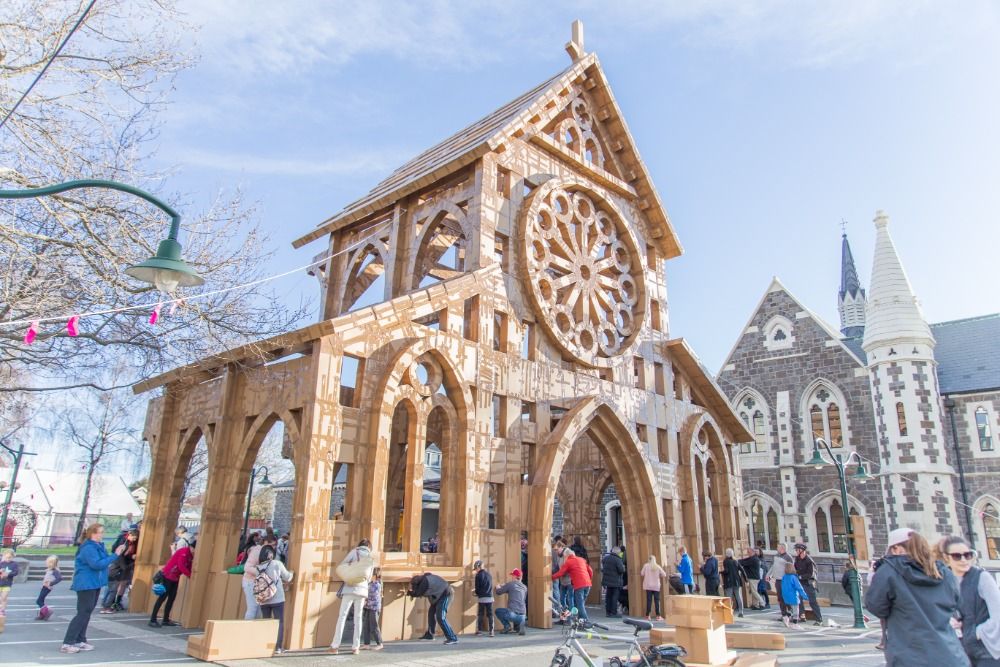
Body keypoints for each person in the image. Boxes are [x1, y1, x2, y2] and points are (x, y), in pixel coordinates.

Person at [864, 528, 969, 667]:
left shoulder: (889, 571)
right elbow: (956, 602)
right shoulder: (943, 570)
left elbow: (876, 606)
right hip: (950, 654)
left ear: (897, 548)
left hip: (909, 655)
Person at [61, 523, 125, 654]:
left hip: (94, 583)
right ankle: (68, 642)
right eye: (100, 532)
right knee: (82, 613)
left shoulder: (97, 546)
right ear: (93, 534)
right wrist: (115, 555)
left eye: (102, 532)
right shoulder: (88, 548)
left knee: (87, 613)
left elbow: (103, 561)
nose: (102, 534)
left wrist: (113, 555)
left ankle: (80, 640)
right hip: (86, 583)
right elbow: (96, 564)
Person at [941, 535, 1000, 666]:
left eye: (967, 555)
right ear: (946, 558)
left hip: (988, 650)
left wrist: (975, 633)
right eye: (957, 556)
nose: (963, 560)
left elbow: (998, 615)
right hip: (961, 651)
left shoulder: (982, 578)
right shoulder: (945, 580)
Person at [331, 539, 376, 654]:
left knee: (342, 617)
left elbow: (342, 566)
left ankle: (335, 646)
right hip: (362, 591)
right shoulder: (371, 557)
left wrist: (352, 568)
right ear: (369, 547)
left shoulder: (354, 552)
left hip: (349, 587)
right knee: (358, 618)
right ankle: (355, 647)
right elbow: (369, 578)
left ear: (360, 545)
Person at [256, 544, 294, 654]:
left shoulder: (258, 567)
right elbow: (287, 577)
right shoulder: (277, 564)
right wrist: (292, 572)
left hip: (264, 598)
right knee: (279, 622)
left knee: (266, 621)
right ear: (271, 554)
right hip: (277, 598)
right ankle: (277, 647)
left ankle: (266, 645)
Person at [150, 539, 195, 627]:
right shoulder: (184, 552)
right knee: (162, 598)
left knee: (171, 598)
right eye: (195, 549)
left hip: (175, 578)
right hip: (167, 576)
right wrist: (190, 576)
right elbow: (181, 566)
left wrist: (191, 574)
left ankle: (165, 620)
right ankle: (153, 619)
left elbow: (189, 566)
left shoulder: (191, 555)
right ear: (191, 547)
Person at [407, 572, 459, 645]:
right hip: (438, 596)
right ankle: (430, 635)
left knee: (441, 617)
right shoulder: (425, 579)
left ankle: (452, 638)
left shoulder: (425, 582)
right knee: (431, 614)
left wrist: (410, 591)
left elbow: (418, 593)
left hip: (445, 595)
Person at [101, 527, 139, 613]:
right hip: (117, 569)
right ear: (129, 535)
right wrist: (130, 563)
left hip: (116, 567)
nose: (134, 539)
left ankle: (105, 605)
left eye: (136, 538)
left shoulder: (128, 543)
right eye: (134, 537)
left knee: (111, 589)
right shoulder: (123, 542)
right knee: (113, 589)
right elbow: (120, 557)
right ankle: (106, 607)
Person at [552, 545, 594, 620]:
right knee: (581, 603)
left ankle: (585, 620)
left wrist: (551, 577)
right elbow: (590, 570)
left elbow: (560, 573)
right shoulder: (581, 559)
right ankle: (580, 619)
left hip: (579, 585)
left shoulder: (568, 562)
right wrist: (589, 579)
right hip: (588, 584)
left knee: (580, 604)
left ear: (566, 556)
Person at [241, 534, 270, 620]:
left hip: (260, 583)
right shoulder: (257, 551)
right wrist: (261, 573)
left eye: (274, 545)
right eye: (270, 544)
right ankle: (247, 630)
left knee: (258, 610)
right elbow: (247, 567)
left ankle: (253, 631)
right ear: (265, 542)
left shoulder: (268, 553)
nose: (273, 547)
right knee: (253, 608)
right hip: (250, 582)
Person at [793, 543, 823, 625]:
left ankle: (819, 619)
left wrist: (800, 577)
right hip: (800, 583)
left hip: (808, 583)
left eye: (797, 550)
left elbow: (811, 574)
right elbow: (795, 569)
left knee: (812, 601)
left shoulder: (809, 561)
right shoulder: (797, 559)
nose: (796, 551)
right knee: (799, 600)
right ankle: (802, 616)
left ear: (802, 550)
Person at [495, 568, 528, 635]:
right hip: (523, 615)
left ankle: (507, 626)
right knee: (517, 608)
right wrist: (506, 586)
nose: (511, 577)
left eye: (512, 575)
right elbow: (517, 594)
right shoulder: (525, 587)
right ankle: (519, 626)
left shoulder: (511, 584)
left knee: (498, 611)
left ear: (515, 576)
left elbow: (498, 592)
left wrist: (498, 587)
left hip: (512, 615)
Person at [766, 543, 793, 618]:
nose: (777, 548)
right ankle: (783, 614)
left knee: (785, 596)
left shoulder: (788, 557)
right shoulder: (776, 556)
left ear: (783, 548)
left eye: (778, 547)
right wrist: (769, 574)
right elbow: (773, 566)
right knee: (780, 597)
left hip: (784, 580)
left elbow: (791, 569)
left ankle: (790, 611)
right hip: (777, 579)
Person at [779, 562, 808, 627]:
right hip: (793, 596)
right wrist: (805, 596)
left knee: (791, 609)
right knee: (796, 610)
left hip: (786, 596)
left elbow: (782, 586)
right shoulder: (793, 577)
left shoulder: (784, 577)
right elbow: (799, 587)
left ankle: (786, 617)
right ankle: (795, 623)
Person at [362, 567, 384, 651]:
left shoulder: (377, 584)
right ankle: (366, 644)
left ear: (375, 575)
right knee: (366, 625)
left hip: (374, 608)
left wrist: (365, 600)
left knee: (374, 626)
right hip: (368, 607)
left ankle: (380, 643)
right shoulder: (371, 583)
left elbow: (373, 596)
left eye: (371, 574)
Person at [601, 546, 626, 618]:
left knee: (608, 596)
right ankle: (613, 612)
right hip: (616, 581)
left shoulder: (605, 558)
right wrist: (624, 567)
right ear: (618, 552)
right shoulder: (618, 559)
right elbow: (621, 570)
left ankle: (608, 612)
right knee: (614, 597)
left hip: (607, 581)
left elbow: (603, 567)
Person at [35, 555, 62, 620]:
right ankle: (42, 614)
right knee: (41, 600)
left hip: (47, 587)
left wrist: (51, 583)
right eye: (47, 562)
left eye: (49, 562)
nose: (47, 564)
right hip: (44, 587)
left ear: (53, 564)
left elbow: (59, 578)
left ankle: (47, 611)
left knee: (39, 601)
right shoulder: (49, 570)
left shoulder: (55, 571)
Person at [640, 555, 666, 620]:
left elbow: (642, 574)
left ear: (649, 560)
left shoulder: (646, 566)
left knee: (649, 600)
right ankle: (658, 616)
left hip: (648, 586)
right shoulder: (657, 566)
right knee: (657, 601)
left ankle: (647, 615)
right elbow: (664, 574)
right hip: (656, 586)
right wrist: (659, 575)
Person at [722, 548, 746, 618]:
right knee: (738, 596)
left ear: (726, 554)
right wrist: (745, 579)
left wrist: (721, 572)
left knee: (729, 597)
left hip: (729, 581)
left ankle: (729, 612)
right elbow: (742, 569)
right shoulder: (736, 561)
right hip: (737, 581)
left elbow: (726, 571)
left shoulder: (726, 561)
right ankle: (741, 611)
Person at [473, 560, 495, 636]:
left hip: (482, 598)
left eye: (476, 568)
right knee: (490, 614)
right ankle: (491, 631)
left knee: (480, 614)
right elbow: (490, 586)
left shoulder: (478, 575)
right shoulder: (489, 574)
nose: (475, 570)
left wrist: (476, 593)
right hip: (490, 597)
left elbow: (477, 588)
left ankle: (479, 631)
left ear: (478, 567)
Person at [0, 548, 19, 617]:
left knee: (4, 597)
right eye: (6, 557)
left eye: (10, 557)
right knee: (1, 598)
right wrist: (1, 572)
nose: (8, 559)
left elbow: (16, 572)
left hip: (7, 584)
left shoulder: (14, 564)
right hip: (0, 582)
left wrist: (8, 574)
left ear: (13, 557)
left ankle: (2, 610)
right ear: (4, 556)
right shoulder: (1, 563)